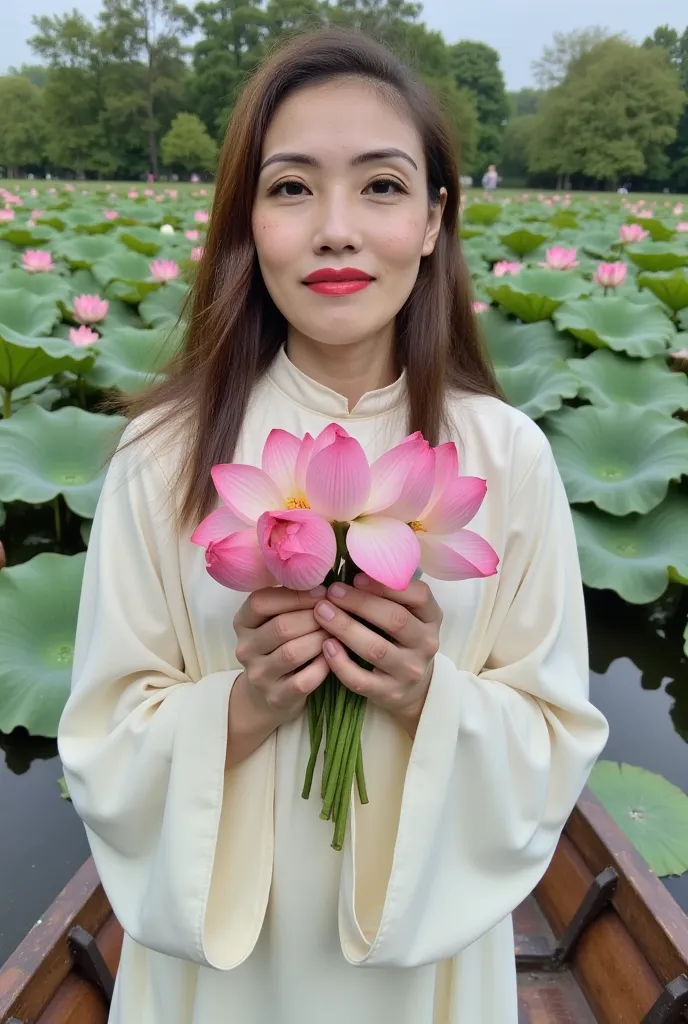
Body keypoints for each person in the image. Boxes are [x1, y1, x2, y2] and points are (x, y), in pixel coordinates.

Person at [57, 28, 609, 1024]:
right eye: (292, 187)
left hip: (422, 962)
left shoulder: (506, 457)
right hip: (220, 974)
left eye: (383, 186)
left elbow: (552, 739)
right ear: (246, 220)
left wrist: (426, 694)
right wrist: (245, 701)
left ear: (437, 219)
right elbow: (100, 745)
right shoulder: (161, 459)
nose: (337, 229)